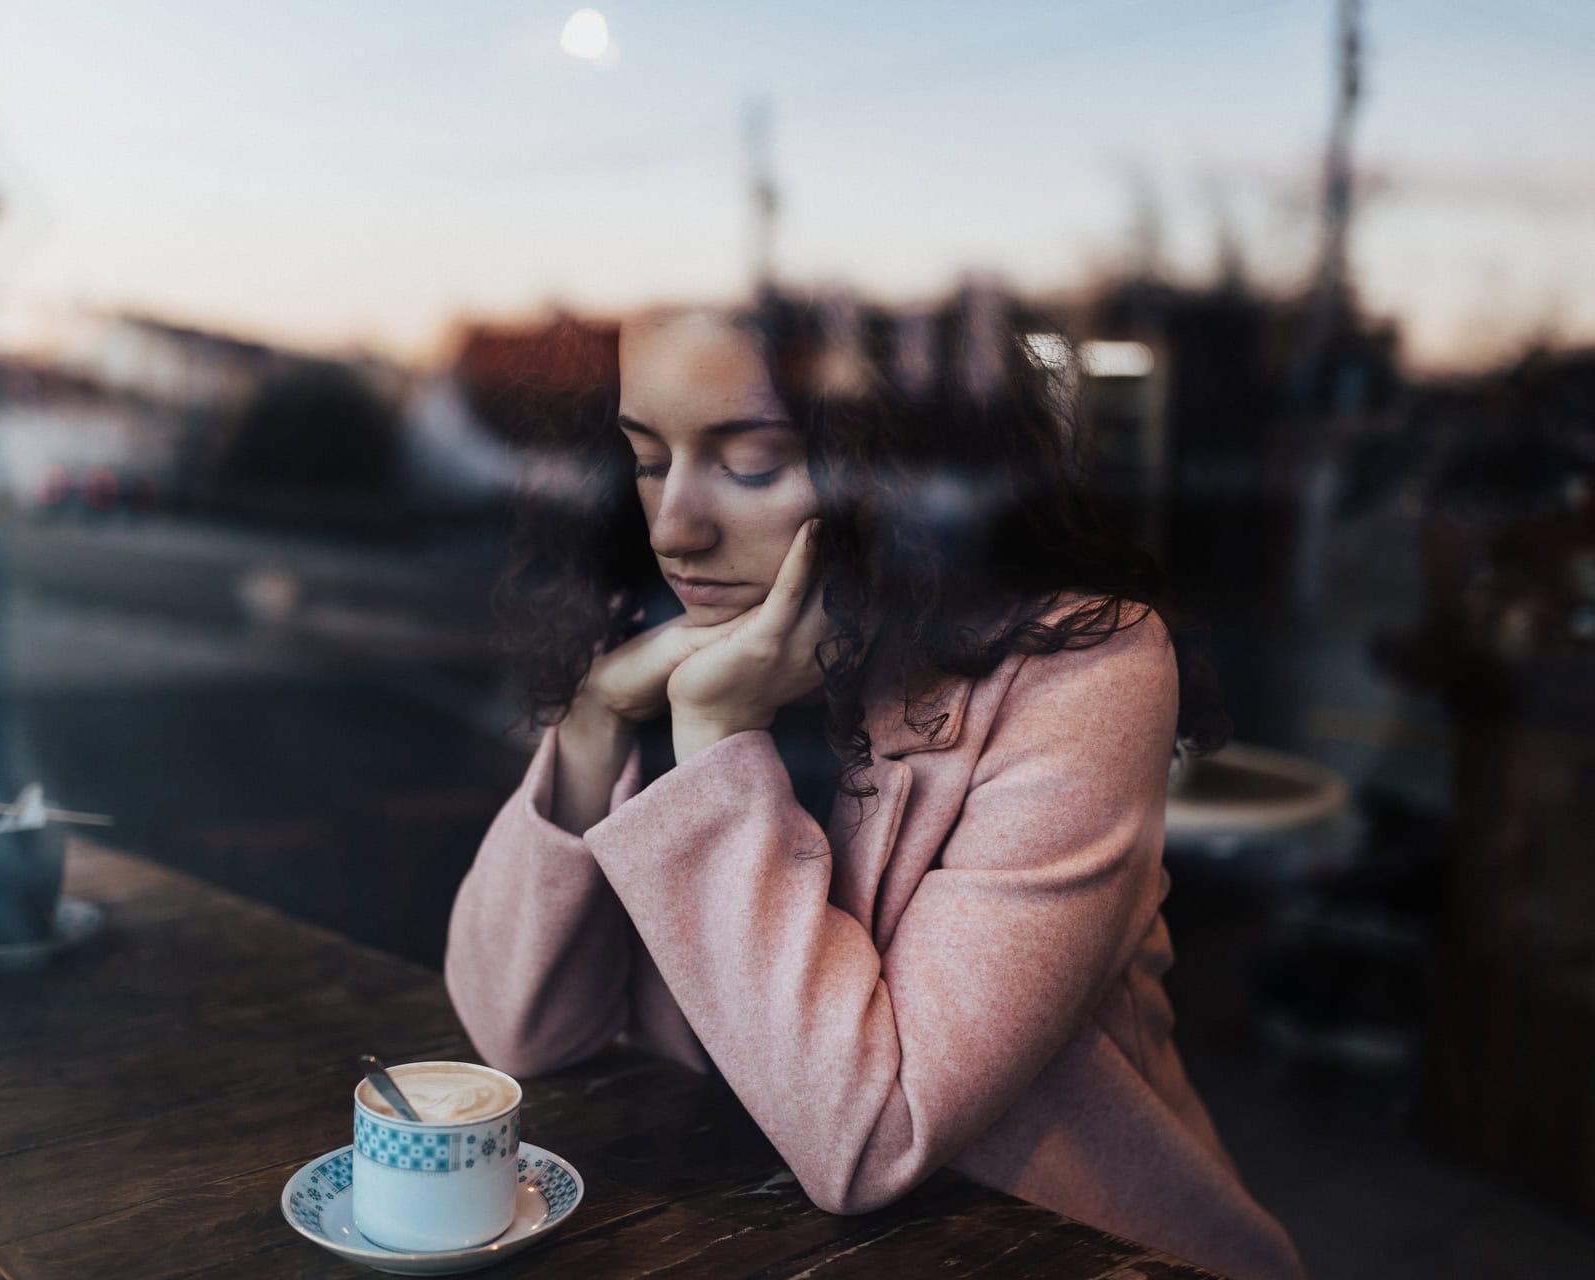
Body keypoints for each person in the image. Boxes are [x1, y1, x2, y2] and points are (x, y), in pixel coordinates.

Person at [445, 294, 1304, 1280]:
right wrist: (595, 718)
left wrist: (720, 736)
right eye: (646, 456)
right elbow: (518, 1028)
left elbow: (872, 1135)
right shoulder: (658, 638)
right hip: (738, 1231)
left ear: (900, 460)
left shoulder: (1085, 669)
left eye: (751, 460)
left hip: (1058, 1249)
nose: (675, 526)